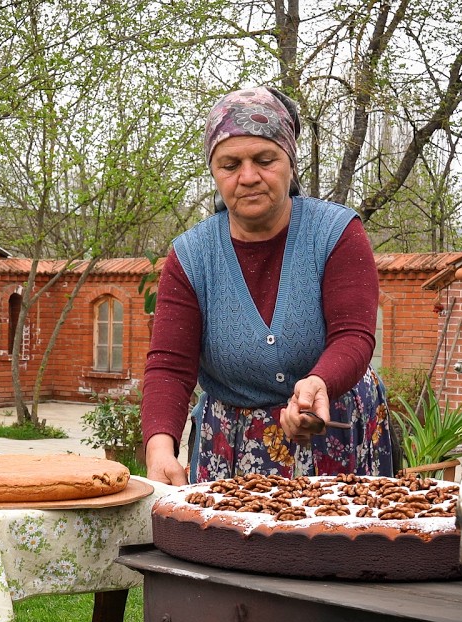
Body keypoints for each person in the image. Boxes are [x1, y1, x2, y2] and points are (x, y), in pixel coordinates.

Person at [141, 86, 394, 485]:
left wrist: (317, 385)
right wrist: (160, 450)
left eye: (264, 159)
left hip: (335, 431)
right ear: (214, 171)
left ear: (290, 163)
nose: (248, 177)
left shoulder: (336, 233)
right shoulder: (191, 256)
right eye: (229, 164)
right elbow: (170, 366)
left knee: (340, 544)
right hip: (231, 446)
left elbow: (353, 335)